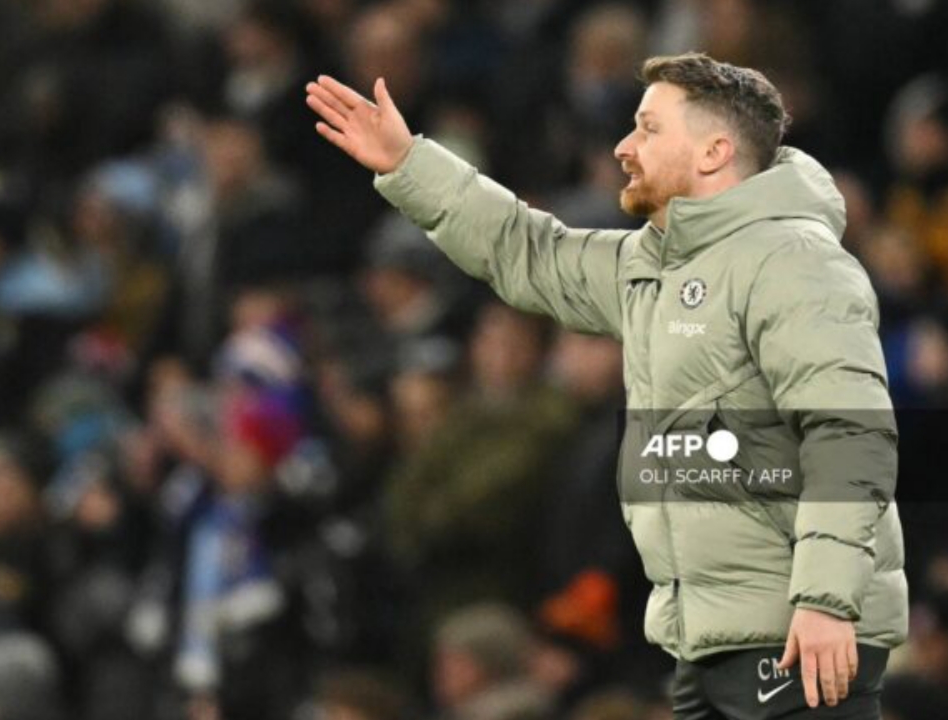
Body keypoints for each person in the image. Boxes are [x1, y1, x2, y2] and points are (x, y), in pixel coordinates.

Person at [306, 52, 908, 719]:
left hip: (794, 636)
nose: (624, 147)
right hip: (711, 638)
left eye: (648, 129)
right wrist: (409, 163)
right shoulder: (654, 268)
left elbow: (850, 432)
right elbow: (526, 251)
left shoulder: (795, 263)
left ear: (713, 151)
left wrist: (826, 600)